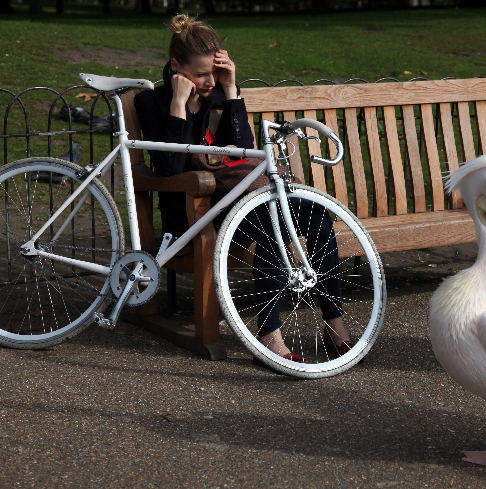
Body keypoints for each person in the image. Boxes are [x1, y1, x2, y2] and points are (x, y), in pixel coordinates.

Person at [134, 14, 354, 363]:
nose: (209, 81)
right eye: (201, 73)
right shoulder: (152, 103)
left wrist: (232, 90)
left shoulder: (219, 95)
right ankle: (269, 336)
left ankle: (334, 324)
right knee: (271, 222)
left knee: (316, 214)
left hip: (239, 202)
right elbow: (170, 169)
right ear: (176, 66)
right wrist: (178, 105)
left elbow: (242, 151)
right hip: (196, 215)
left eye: (214, 72)